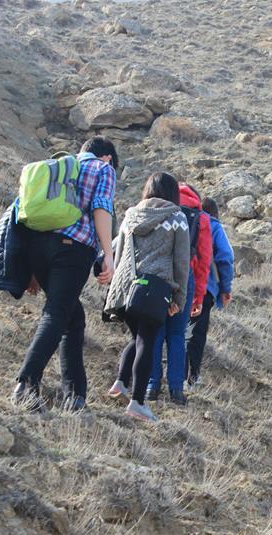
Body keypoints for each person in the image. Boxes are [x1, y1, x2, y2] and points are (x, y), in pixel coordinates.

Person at [12, 136, 118, 412]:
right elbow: (101, 207)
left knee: (72, 316)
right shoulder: (103, 169)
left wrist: (30, 268)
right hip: (73, 249)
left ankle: (75, 396)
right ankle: (25, 384)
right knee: (57, 313)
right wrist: (108, 253)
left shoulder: (59, 167)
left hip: (38, 247)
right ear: (106, 157)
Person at [104, 173, 191, 422]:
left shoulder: (131, 215)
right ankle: (137, 402)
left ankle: (121, 383)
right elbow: (181, 263)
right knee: (147, 341)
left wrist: (114, 290)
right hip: (154, 289)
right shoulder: (177, 218)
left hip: (125, 287)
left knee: (137, 338)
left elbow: (119, 253)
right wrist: (180, 298)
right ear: (172, 193)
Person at [146, 184, 212, 405]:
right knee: (177, 335)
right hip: (186, 276)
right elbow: (204, 260)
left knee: (155, 331)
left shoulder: (153, 207)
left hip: (156, 275)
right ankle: (176, 390)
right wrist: (199, 296)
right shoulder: (200, 217)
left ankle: (151, 386)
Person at [186, 197, 235, 389]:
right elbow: (226, 257)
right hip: (204, 288)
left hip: (179, 282)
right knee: (196, 334)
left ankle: (175, 375)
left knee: (177, 331)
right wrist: (226, 288)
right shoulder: (213, 226)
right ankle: (193, 376)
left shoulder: (185, 219)